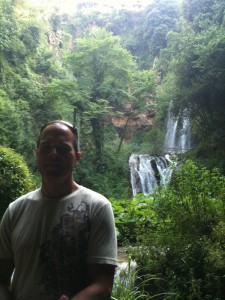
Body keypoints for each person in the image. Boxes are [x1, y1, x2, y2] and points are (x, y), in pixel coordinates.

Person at [0, 120, 118, 300]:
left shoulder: (97, 207)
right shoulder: (15, 210)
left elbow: (103, 283)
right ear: (36, 153)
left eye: (63, 149)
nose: (53, 154)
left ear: (77, 156)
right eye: (46, 147)